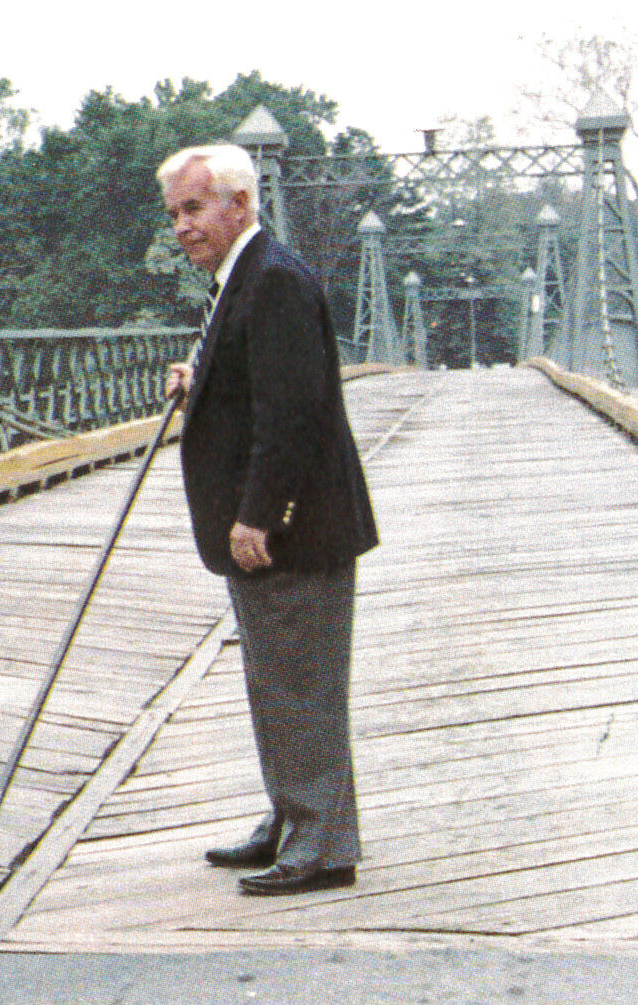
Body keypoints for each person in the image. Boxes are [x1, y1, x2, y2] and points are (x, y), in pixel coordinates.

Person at [159, 144, 378, 896]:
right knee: (275, 680)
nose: (183, 227)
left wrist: (259, 516)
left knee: (303, 682)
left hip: (295, 529)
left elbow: (294, 414)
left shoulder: (275, 280)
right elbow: (261, 376)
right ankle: (293, 817)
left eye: (194, 209)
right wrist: (202, 375)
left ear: (239, 204)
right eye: (176, 214)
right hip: (277, 527)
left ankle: (322, 844)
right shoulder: (243, 277)